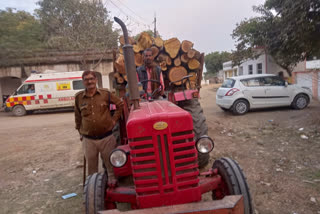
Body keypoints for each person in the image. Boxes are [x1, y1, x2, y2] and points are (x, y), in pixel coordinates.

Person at [74, 70, 123, 186]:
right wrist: (79, 132)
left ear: (96, 80)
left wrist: (114, 120)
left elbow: (119, 105)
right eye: (86, 80)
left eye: (91, 79)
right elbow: (77, 116)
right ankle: (93, 187)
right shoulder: (79, 98)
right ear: (83, 82)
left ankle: (112, 186)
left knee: (110, 165)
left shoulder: (105, 94)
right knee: (92, 168)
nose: (89, 81)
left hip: (106, 137)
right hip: (88, 139)